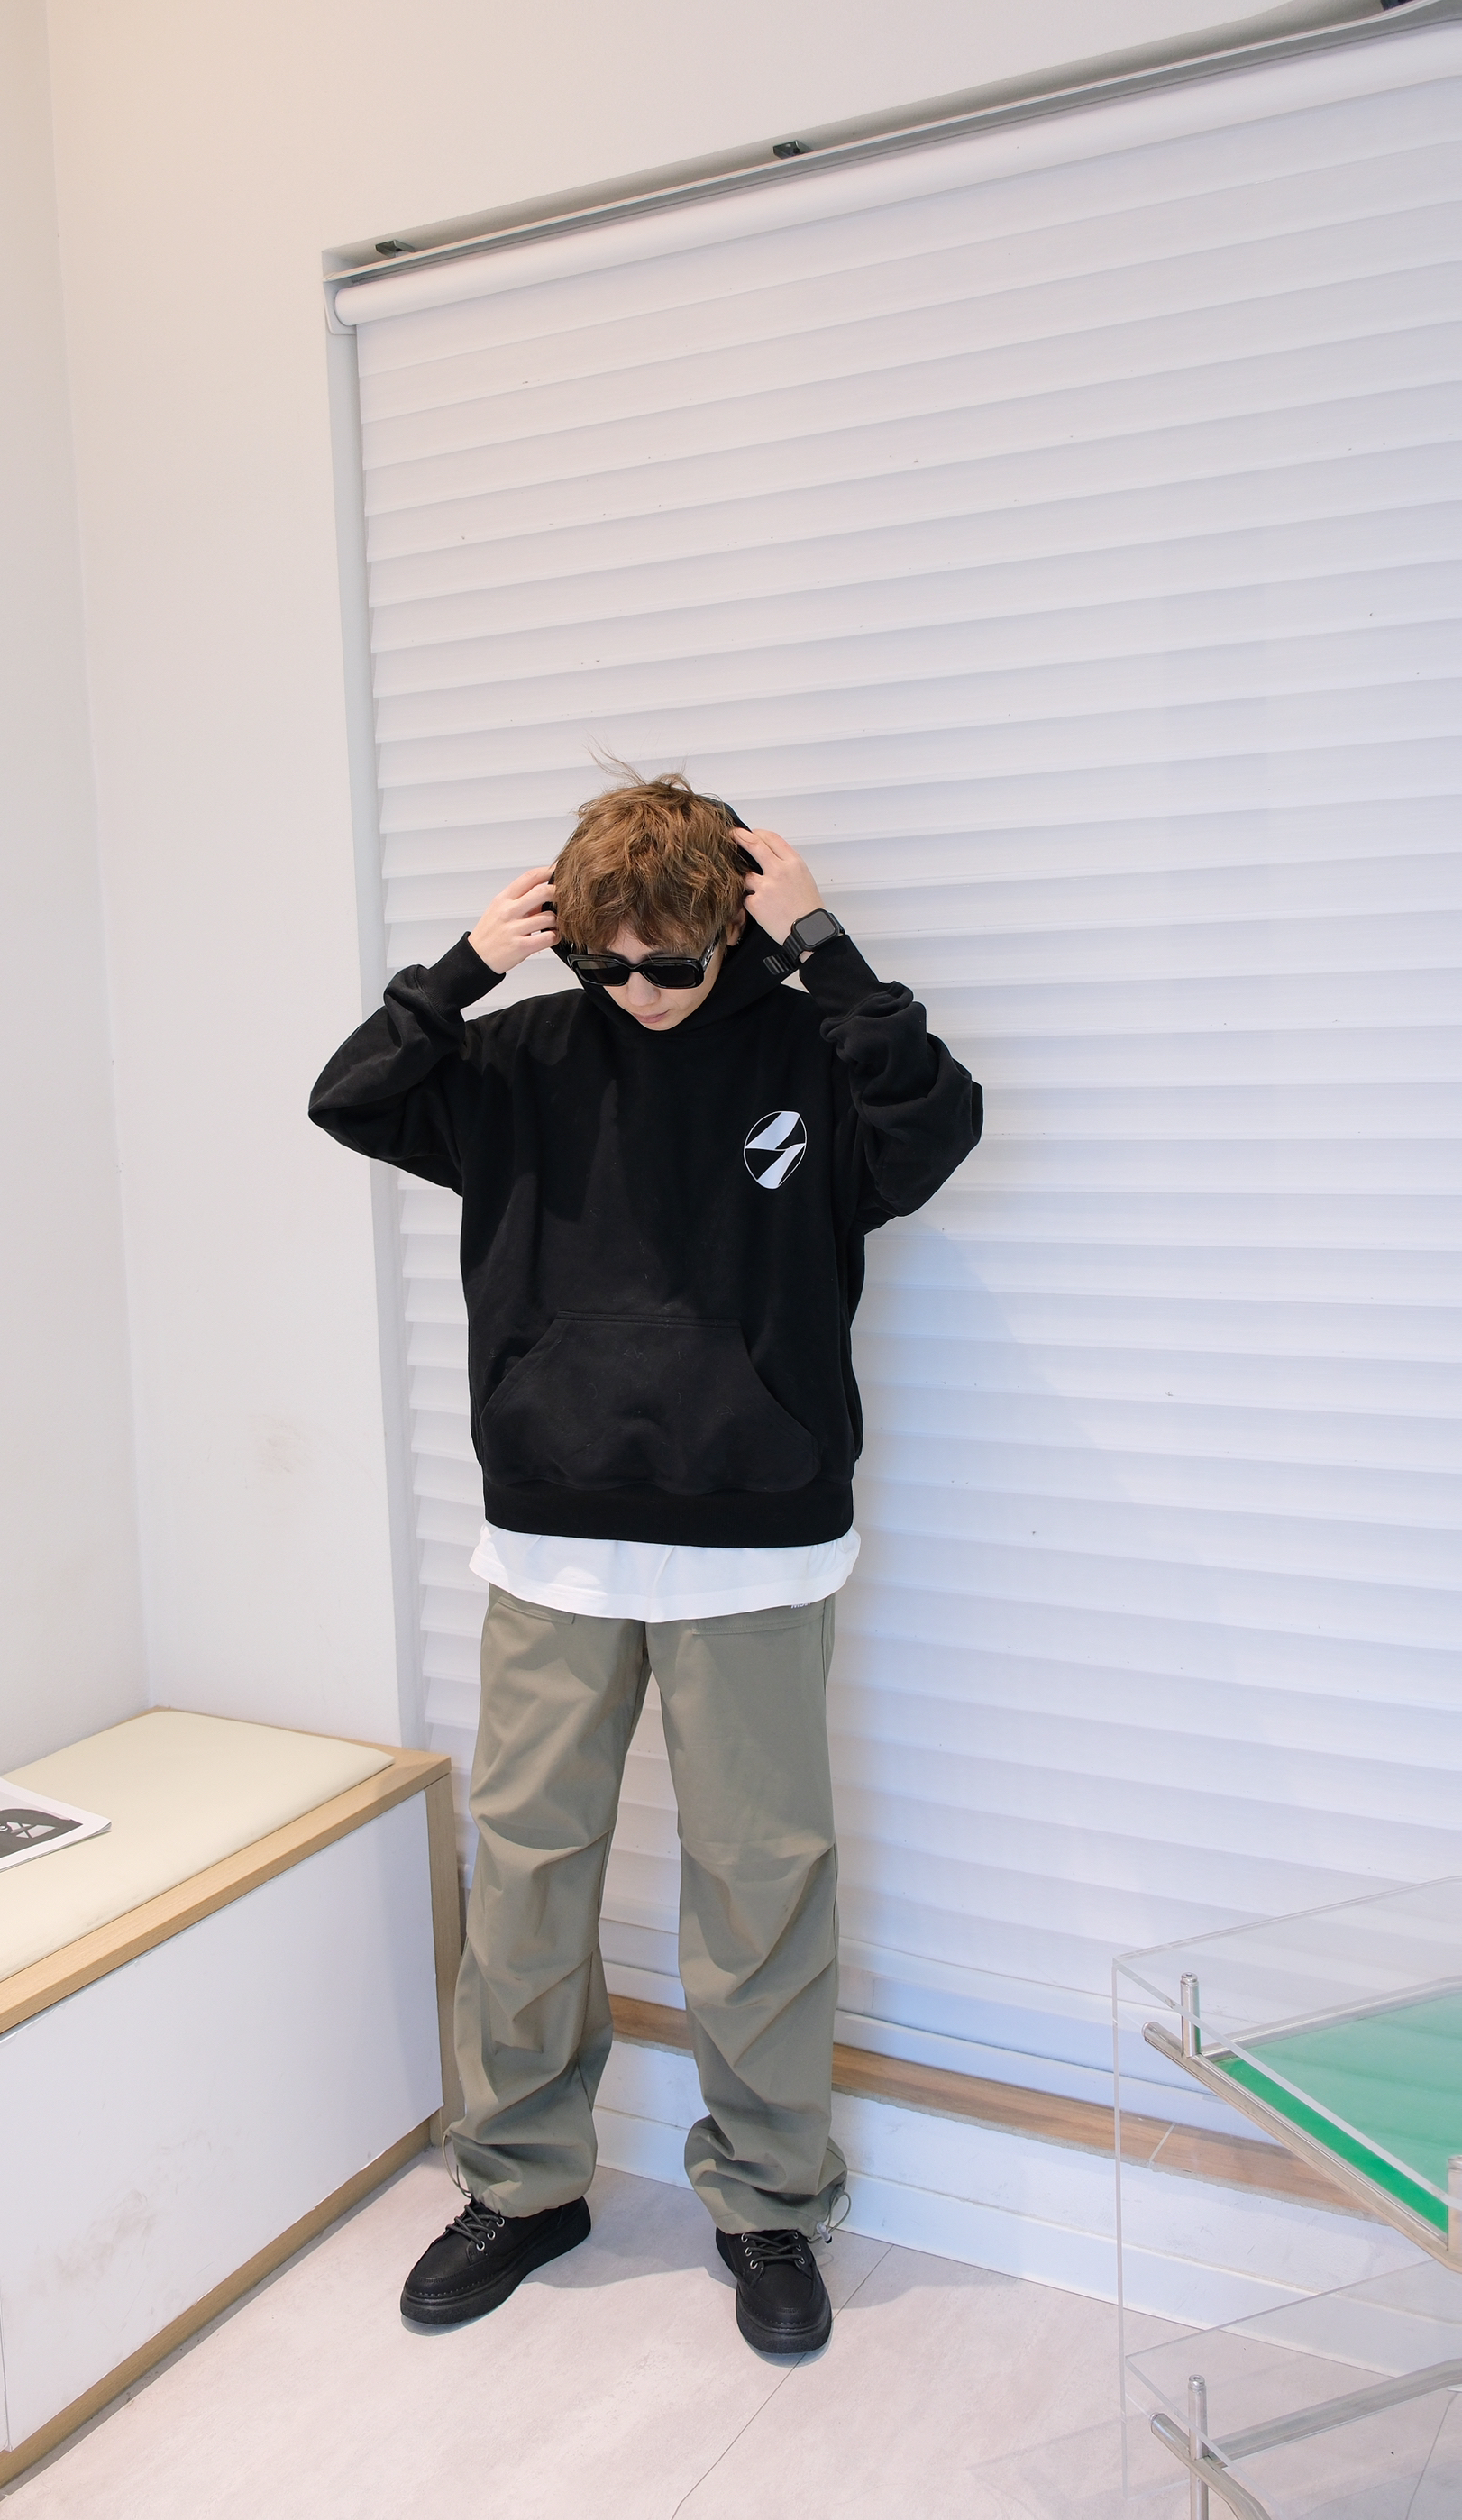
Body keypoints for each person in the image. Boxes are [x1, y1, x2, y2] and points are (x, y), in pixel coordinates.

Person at [309, 773, 982, 2352]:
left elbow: (936, 1128)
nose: (640, 994)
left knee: (762, 1887)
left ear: (729, 925)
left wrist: (822, 945)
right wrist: (465, 969)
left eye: (671, 963)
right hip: (551, 1533)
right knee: (527, 1877)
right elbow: (350, 1097)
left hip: (756, 1540)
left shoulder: (810, 1050)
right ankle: (522, 2184)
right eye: (600, 964)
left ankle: (768, 2201)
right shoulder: (516, 1058)